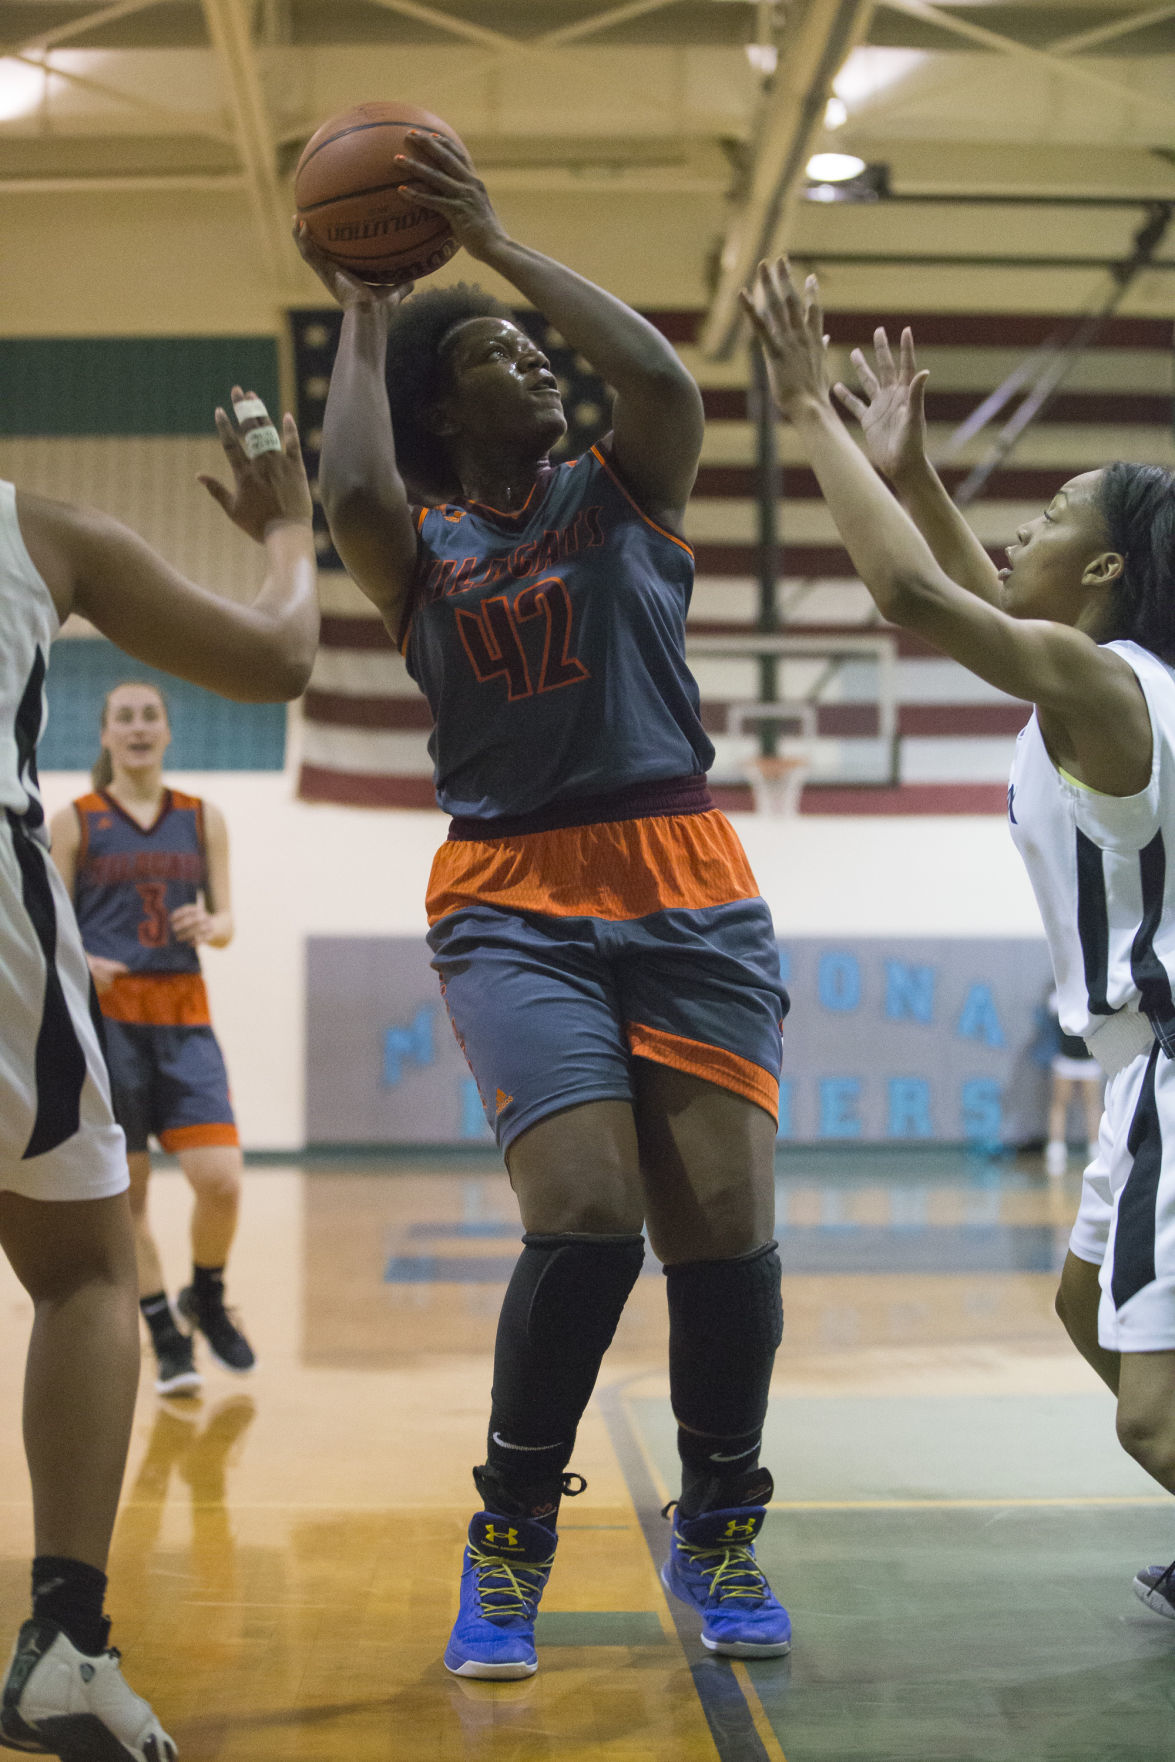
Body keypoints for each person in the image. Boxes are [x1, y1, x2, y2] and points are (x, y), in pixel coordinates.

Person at [298, 129, 791, 1679]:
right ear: (453, 406)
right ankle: (507, 1535)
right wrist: (372, 308)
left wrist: (497, 244)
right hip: (512, 887)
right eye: (506, 356)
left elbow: (655, 377)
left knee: (719, 1220)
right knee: (583, 1211)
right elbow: (351, 484)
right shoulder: (422, 551)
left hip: (677, 866)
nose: (539, 365)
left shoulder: (622, 487)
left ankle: (718, 1526)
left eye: (531, 347)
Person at [741, 254, 1175, 1624]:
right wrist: (906, 465)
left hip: (1165, 1061)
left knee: (1152, 1423)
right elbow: (967, 580)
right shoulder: (1106, 674)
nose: (1014, 532)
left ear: (1103, 567)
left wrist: (803, 407)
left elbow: (921, 599)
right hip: (1129, 1075)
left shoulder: (1100, 686)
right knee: (1078, 1306)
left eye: (1045, 514)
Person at [0, 386, 316, 1758]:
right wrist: (295, 528)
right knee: (81, 1269)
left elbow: (228, 907)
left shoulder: (198, 816)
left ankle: (207, 1297)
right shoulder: (38, 530)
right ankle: (63, 1640)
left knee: (198, 1186)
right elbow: (275, 656)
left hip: (169, 1011)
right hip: (37, 971)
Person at [49, 682, 254, 1399]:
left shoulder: (203, 818)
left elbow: (226, 922)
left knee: (220, 1180)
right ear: (105, 735)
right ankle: (165, 1334)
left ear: (168, 733)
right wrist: (82, 961)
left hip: (184, 1014)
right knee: (128, 1196)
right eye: (124, 718)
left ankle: (207, 1291)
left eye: (149, 717)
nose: (137, 728)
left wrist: (210, 924)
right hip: (108, 1026)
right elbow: (46, 931)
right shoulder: (72, 822)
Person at [1041, 988, 1105, 1176]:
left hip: (1089, 1060)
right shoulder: (1060, 994)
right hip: (1066, 1059)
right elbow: (1053, 1011)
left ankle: (1096, 1150)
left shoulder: (1095, 992)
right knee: (1059, 1104)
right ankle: (1056, 1150)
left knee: (1092, 1105)